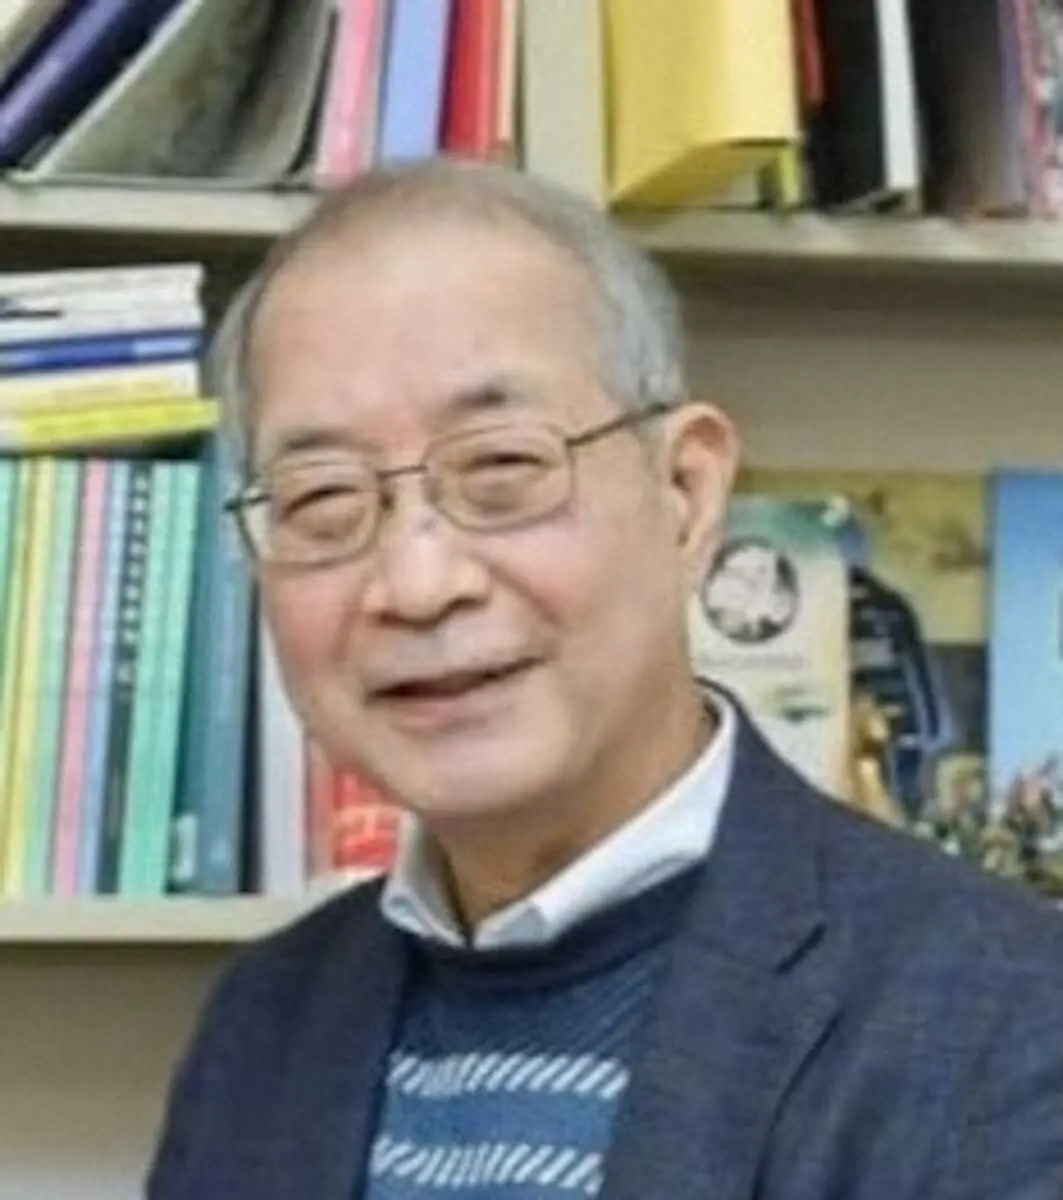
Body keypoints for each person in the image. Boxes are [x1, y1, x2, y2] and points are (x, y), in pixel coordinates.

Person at [147, 158, 1063, 1200]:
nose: (417, 584)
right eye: (321, 500)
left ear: (686, 492)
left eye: (501, 469)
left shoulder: (1003, 1021)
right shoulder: (263, 1022)